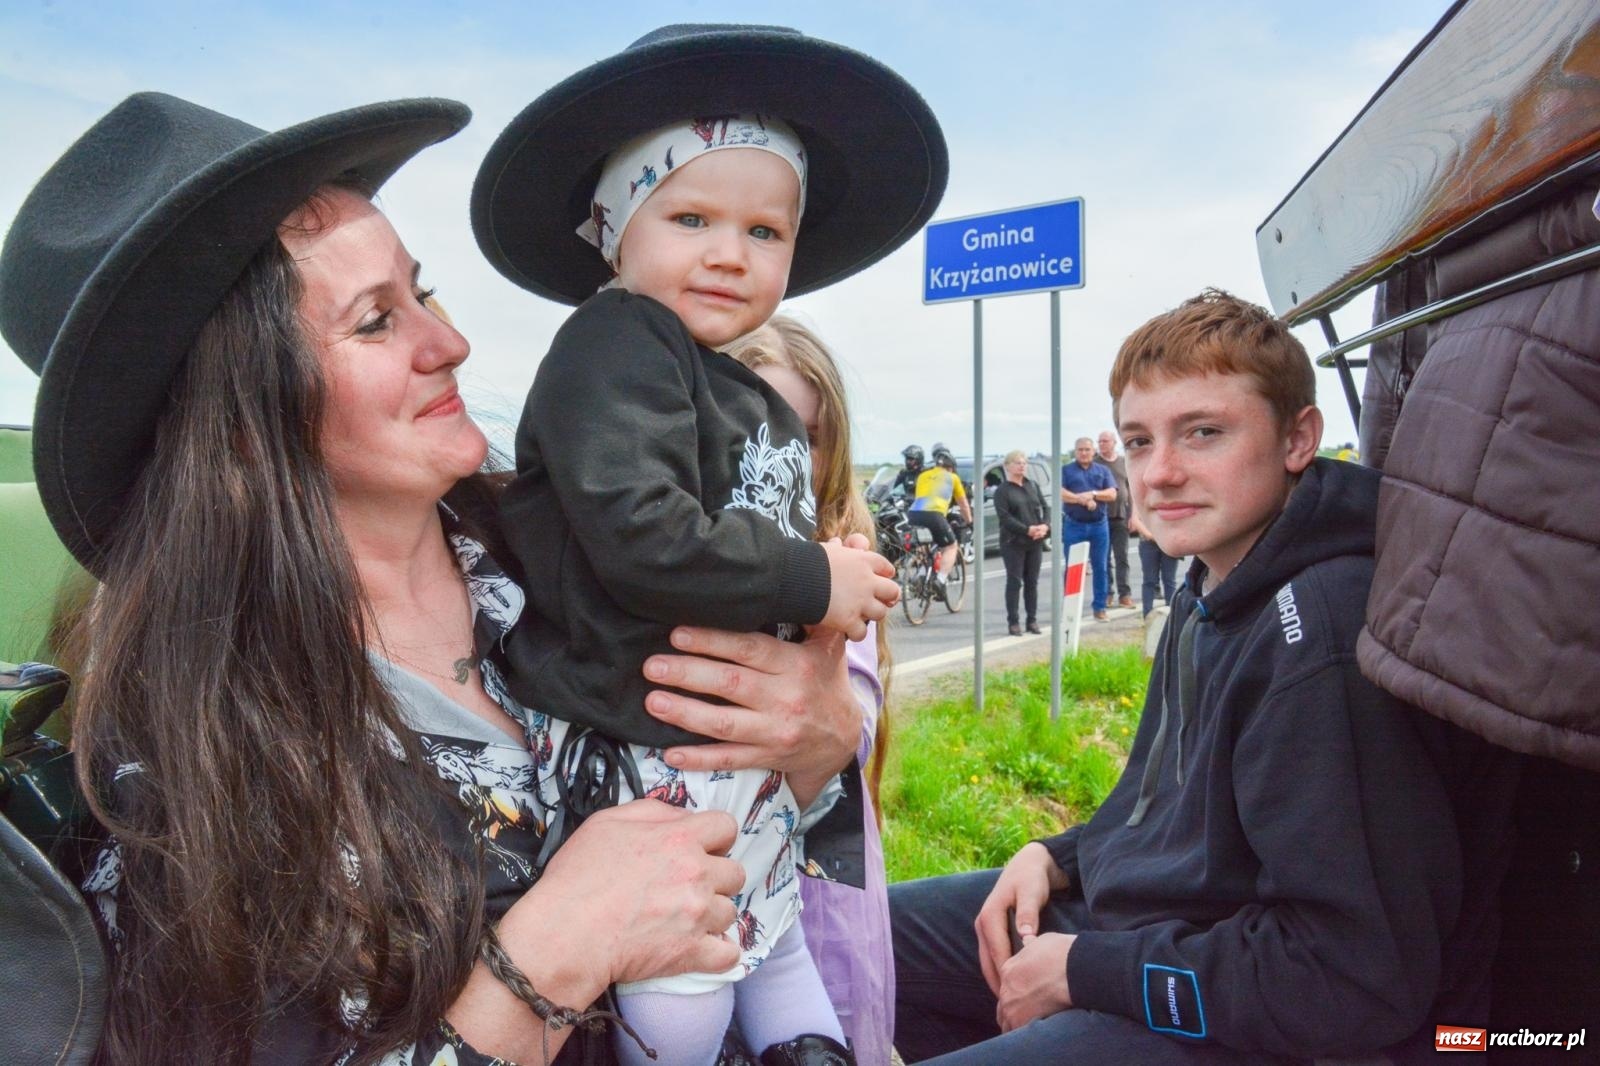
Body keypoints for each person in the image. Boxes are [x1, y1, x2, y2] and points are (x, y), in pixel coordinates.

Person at [0, 93, 874, 1066]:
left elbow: (763, 798)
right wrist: (552, 952)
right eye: (378, 321)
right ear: (241, 422)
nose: (449, 343)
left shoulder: (560, 546)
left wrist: (821, 735)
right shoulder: (191, 759)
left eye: (424, 290)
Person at [471, 24, 946, 1065]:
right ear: (613, 229)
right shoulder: (616, 341)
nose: (731, 252)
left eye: (766, 232)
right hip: (640, 723)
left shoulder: (722, 375)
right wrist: (812, 576)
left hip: (726, 742)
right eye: (691, 216)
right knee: (684, 955)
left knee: (762, 931)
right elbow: (640, 533)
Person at [889, 289, 1518, 1064]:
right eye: (1139, 441)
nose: (1161, 473)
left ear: (1299, 438)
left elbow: (1350, 979)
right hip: (1149, 927)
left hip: (1285, 1021)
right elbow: (1168, 809)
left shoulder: (1321, 637)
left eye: (1204, 433)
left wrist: (1089, 972)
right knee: (853, 944)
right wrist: (1059, 856)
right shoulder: (1211, 585)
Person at [727, 314, 895, 1066]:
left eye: (809, 431)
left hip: (819, 923)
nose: (783, 451)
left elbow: (843, 725)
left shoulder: (839, 567)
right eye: (749, 421)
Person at [1059, 437, 1117, 620]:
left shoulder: (1103, 470)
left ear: (1093, 452)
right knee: (1073, 568)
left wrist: (1094, 494)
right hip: (1074, 525)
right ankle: (1071, 610)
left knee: (1101, 567)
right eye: (1080, 450)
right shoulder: (1066, 471)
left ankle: (1099, 607)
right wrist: (1081, 499)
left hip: (1099, 526)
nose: (1084, 453)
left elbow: (1112, 494)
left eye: (1087, 449)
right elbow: (1060, 492)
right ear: (1075, 452)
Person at [993, 450, 1048, 636]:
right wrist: (1027, 529)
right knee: (1015, 582)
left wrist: (1044, 526)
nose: (1022, 465)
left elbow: (1045, 507)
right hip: (1013, 541)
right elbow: (1005, 517)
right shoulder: (1003, 491)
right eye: (1017, 462)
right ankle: (1013, 622)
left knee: (1032, 581)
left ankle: (1031, 620)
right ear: (1007, 466)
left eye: (1024, 462)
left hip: (1035, 541)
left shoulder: (1032, 485)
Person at [907, 444, 973, 596]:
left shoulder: (923, 476)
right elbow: (963, 504)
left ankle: (922, 573)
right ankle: (940, 580)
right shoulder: (953, 478)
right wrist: (969, 522)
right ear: (950, 467)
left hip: (914, 513)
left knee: (924, 544)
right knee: (951, 546)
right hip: (934, 514)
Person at [1093, 430, 1135, 609]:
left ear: (1114, 442)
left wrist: (1133, 515)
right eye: (1099, 441)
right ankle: (1107, 594)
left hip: (1121, 516)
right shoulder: (1095, 464)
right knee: (1103, 559)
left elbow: (1131, 489)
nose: (1101, 444)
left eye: (1105, 441)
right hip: (1101, 518)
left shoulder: (1123, 462)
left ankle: (1124, 594)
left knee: (1122, 557)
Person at [1129, 503, 1180, 618]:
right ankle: (1147, 615)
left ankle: (1172, 615)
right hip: (1148, 542)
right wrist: (1150, 535)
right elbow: (1135, 519)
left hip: (1168, 540)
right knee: (1149, 580)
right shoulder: (1142, 496)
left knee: (1169, 580)